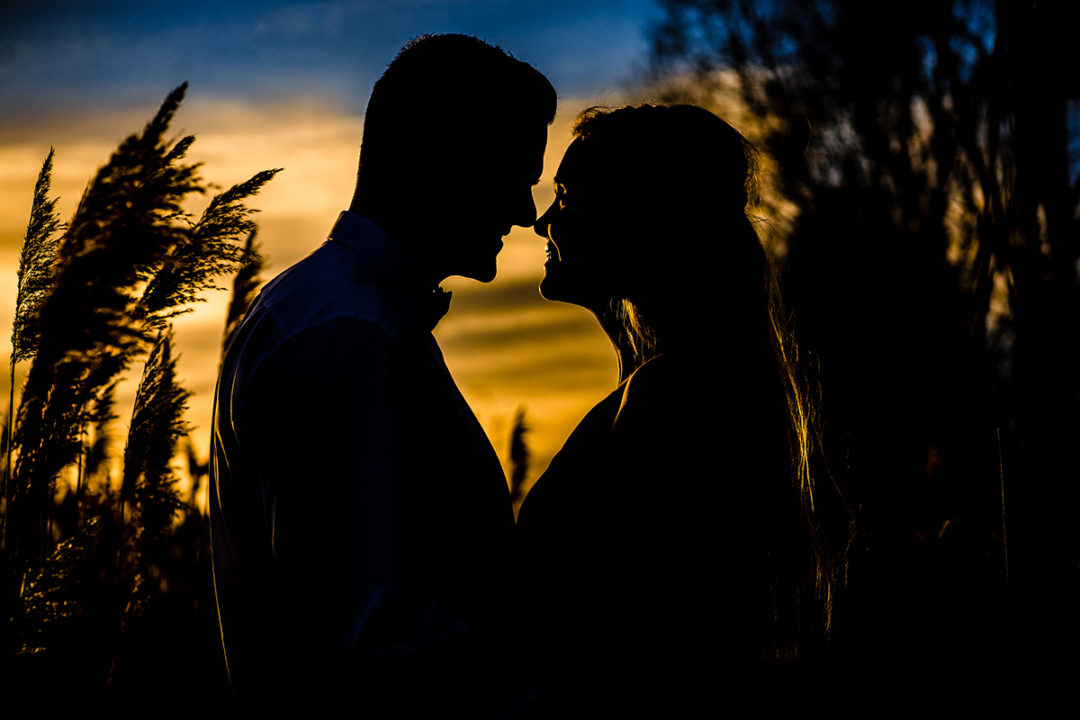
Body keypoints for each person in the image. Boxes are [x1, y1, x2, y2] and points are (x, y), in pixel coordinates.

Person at [209, 34, 556, 714]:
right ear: (442, 158)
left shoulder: (343, 317)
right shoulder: (345, 334)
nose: (524, 211)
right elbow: (372, 637)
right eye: (513, 172)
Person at [516, 104, 837, 714]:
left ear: (638, 216)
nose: (541, 221)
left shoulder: (669, 403)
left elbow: (638, 643)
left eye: (566, 195)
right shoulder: (703, 385)